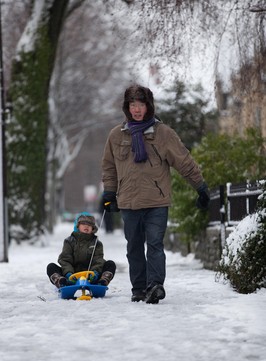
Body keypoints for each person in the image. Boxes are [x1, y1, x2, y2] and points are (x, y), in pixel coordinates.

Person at [101, 84, 210, 304]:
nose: (137, 110)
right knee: (133, 247)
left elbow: (184, 161)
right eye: (133, 105)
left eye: (141, 105)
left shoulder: (163, 134)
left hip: (156, 201)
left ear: (148, 106)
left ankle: (155, 285)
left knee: (155, 245)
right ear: (127, 107)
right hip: (129, 203)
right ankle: (139, 288)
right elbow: (109, 168)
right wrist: (109, 194)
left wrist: (200, 187)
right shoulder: (116, 136)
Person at [47, 212, 116, 289]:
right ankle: (61, 282)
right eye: (83, 224)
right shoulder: (69, 241)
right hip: (71, 277)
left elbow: (98, 260)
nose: (86, 226)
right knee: (51, 267)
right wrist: (68, 273)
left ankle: (102, 282)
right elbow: (65, 260)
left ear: (93, 228)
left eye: (89, 225)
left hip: (91, 277)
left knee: (110, 264)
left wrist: (95, 273)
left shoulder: (97, 243)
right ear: (78, 226)